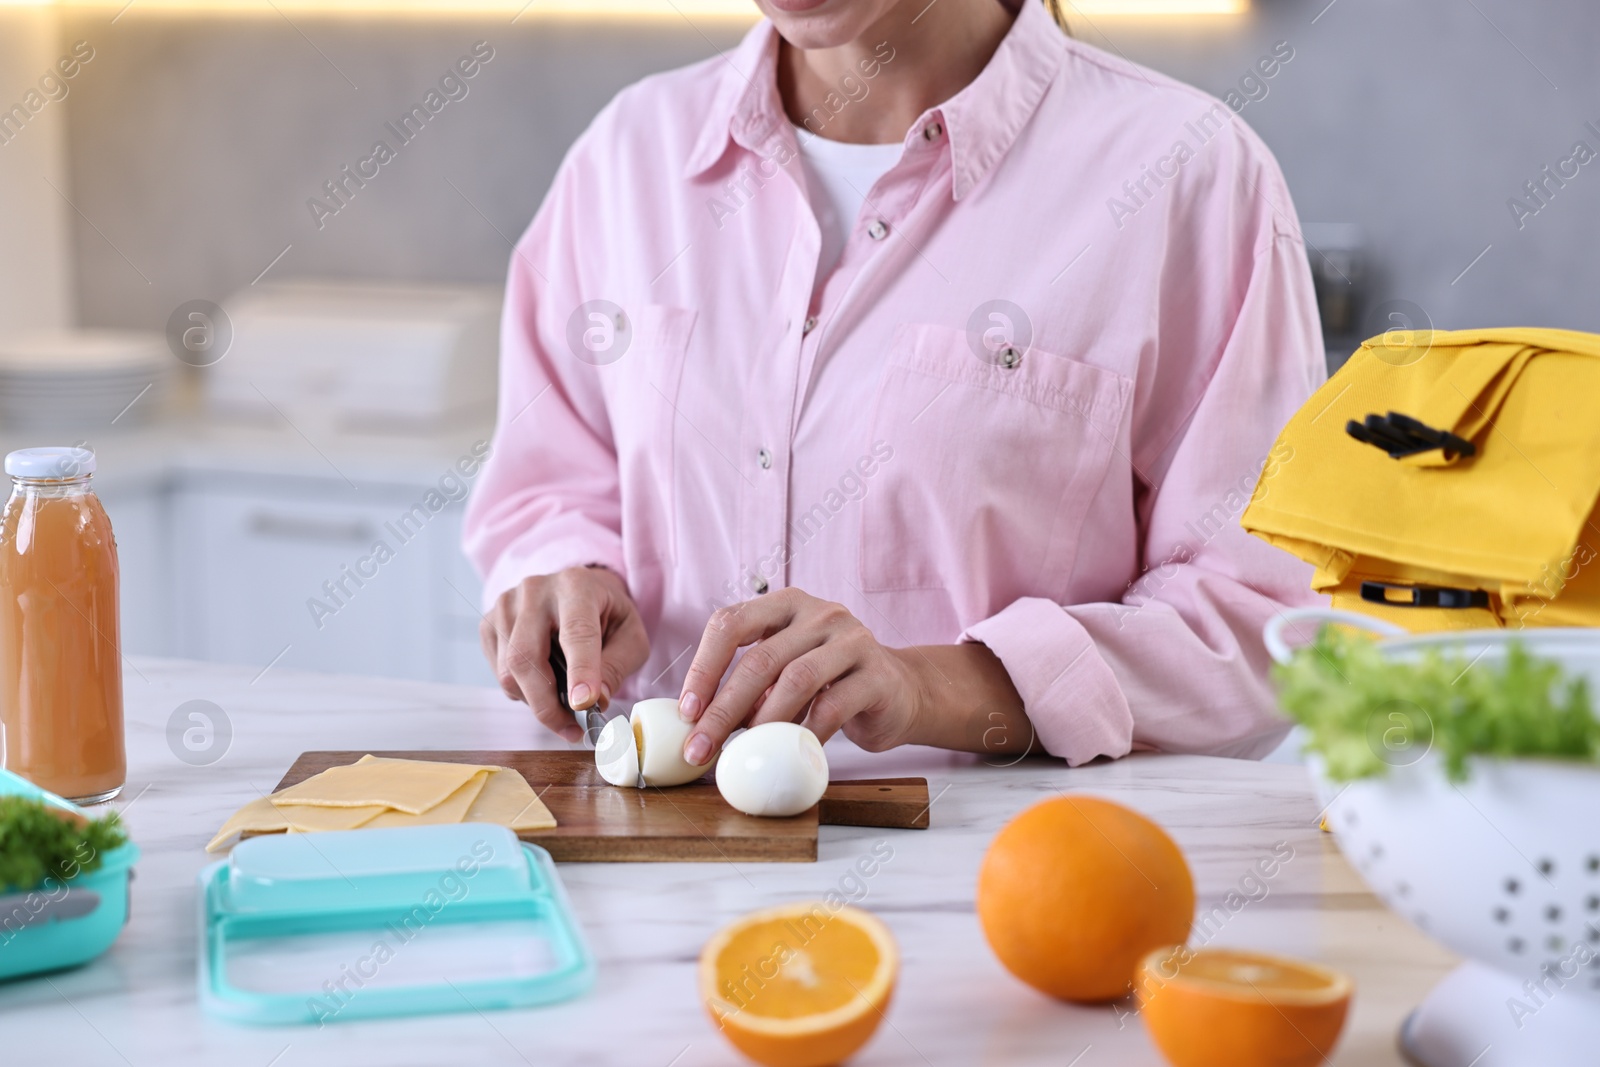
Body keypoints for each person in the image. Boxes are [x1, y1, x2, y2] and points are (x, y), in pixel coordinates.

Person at [463, 0, 1323, 769]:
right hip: (656, 871)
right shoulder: (625, 158)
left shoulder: (1189, 177)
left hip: (1008, 895)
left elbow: (1258, 627)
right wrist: (559, 575)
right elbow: (547, 487)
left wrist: (926, 686)